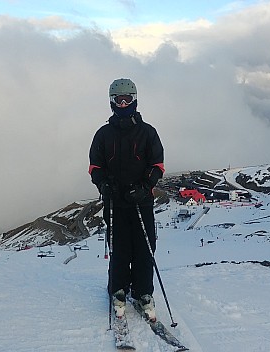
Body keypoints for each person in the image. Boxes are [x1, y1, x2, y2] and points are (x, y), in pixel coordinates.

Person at [89, 78, 165, 321]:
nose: (123, 104)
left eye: (127, 100)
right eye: (118, 100)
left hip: (141, 202)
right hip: (115, 203)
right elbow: (94, 165)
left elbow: (158, 165)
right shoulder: (103, 134)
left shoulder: (147, 132)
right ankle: (118, 289)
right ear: (111, 102)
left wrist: (145, 187)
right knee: (119, 248)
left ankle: (144, 292)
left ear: (134, 100)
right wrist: (103, 184)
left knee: (144, 248)